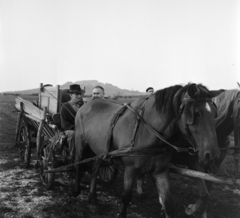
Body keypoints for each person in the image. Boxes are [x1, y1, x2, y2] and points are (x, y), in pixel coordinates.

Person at [60, 84, 84, 158]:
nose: (79, 96)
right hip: (69, 129)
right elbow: (64, 123)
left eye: (80, 94)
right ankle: (72, 154)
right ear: (70, 95)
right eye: (76, 94)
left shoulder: (83, 106)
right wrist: (75, 128)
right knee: (73, 134)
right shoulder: (65, 107)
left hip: (82, 128)